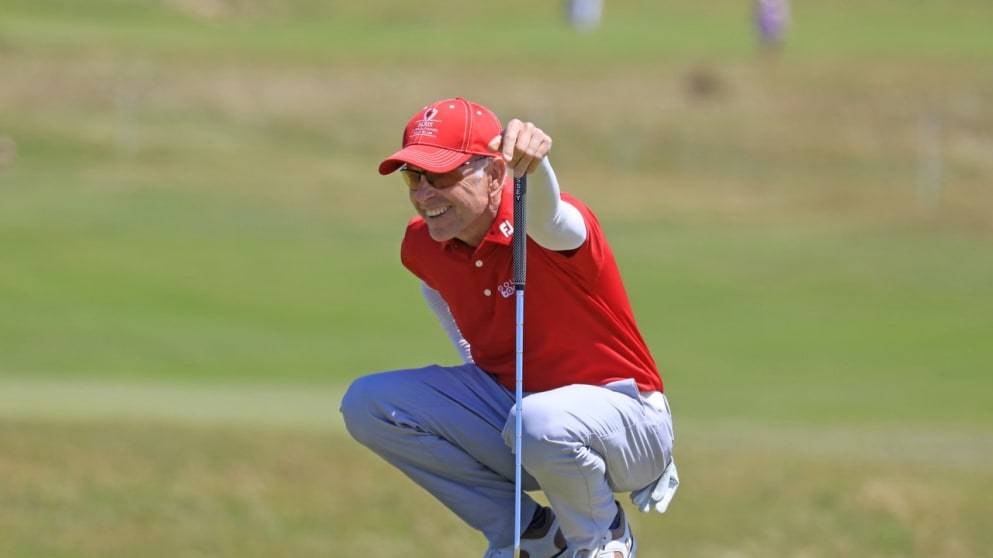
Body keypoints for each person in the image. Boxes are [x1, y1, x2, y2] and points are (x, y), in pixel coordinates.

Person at [340, 97, 678, 558]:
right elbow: (434, 288)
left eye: (440, 176)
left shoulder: (549, 227)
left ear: (496, 175)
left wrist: (535, 169)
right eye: (412, 177)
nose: (422, 194)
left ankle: (600, 540)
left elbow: (549, 214)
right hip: (528, 424)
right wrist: (474, 362)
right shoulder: (424, 244)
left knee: (537, 421)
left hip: (630, 424)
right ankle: (532, 533)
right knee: (369, 404)